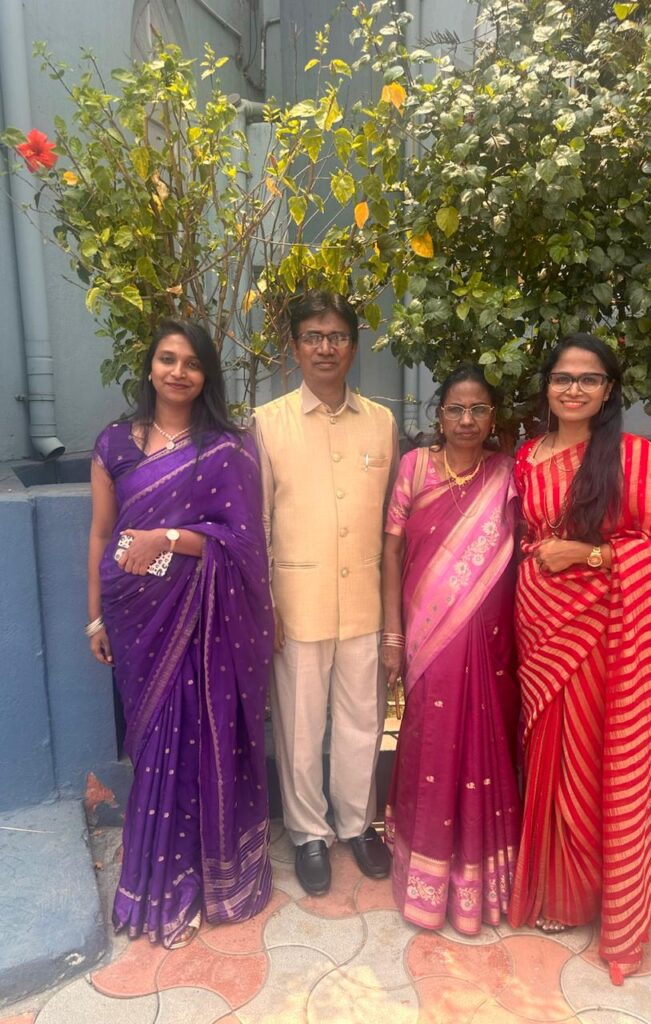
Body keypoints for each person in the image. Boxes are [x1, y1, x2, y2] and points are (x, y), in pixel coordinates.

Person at [507, 333, 651, 984]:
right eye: (563, 377)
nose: (574, 389)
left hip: (600, 632)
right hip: (537, 625)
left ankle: (584, 895)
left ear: (608, 390)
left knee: (585, 760)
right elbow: (522, 538)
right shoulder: (527, 456)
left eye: (589, 379)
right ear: (547, 385)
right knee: (543, 756)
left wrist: (588, 554)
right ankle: (546, 885)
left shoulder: (632, 457)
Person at [87, 318, 273, 949]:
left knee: (196, 741)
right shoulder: (114, 443)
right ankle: (153, 878)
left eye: (192, 363)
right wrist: (95, 616)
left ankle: (195, 879)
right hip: (135, 615)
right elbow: (101, 532)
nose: (178, 372)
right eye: (167, 358)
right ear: (150, 366)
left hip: (200, 614)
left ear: (206, 375)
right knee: (153, 748)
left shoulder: (227, 447)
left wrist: (169, 538)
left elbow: (243, 543)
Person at [252, 290, 398, 895]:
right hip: (297, 602)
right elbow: (259, 522)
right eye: (312, 336)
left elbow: (391, 522)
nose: (325, 347)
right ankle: (309, 832)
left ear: (353, 347)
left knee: (364, 721)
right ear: (294, 347)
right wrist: (267, 602)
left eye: (337, 336)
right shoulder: (268, 423)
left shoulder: (382, 422)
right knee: (300, 725)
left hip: (364, 598)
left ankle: (358, 825)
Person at [381, 365, 521, 935]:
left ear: (492, 417)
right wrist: (393, 634)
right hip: (426, 635)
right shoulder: (414, 467)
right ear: (439, 416)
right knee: (430, 737)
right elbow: (391, 552)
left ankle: (477, 878)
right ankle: (424, 876)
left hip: (489, 639)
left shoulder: (506, 473)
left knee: (485, 740)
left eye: (478, 410)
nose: (467, 420)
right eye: (456, 410)